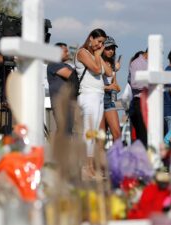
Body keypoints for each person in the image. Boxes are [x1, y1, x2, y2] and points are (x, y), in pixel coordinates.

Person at [75, 28, 112, 176]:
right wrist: (97, 56)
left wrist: (99, 55)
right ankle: (86, 165)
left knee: (94, 132)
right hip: (88, 95)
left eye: (102, 43)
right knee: (88, 131)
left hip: (99, 95)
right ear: (91, 38)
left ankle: (90, 165)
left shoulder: (95, 54)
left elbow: (109, 72)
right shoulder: (82, 52)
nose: (100, 45)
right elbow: (97, 70)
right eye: (98, 41)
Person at [47, 42, 75, 134]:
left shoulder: (67, 66)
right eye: (65, 51)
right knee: (64, 131)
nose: (68, 53)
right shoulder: (54, 64)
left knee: (68, 131)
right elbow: (72, 76)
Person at [100, 36, 121, 142]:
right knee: (101, 137)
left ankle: (116, 158)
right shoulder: (97, 62)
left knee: (117, 134)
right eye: (108, 48)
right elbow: (92, 85)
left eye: (113, 48)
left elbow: (114, 83)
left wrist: (116, 87)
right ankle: (100, 159)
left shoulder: (112, 64)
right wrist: (109, 87)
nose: (111, 51)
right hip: (98, 100)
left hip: (109, 100)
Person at [128, 50, 148, 147]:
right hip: (140, 102)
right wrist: (149, 85)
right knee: (143, 136)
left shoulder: (152, 64)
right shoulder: (136, 63)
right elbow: (134, 84)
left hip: (151, 103)